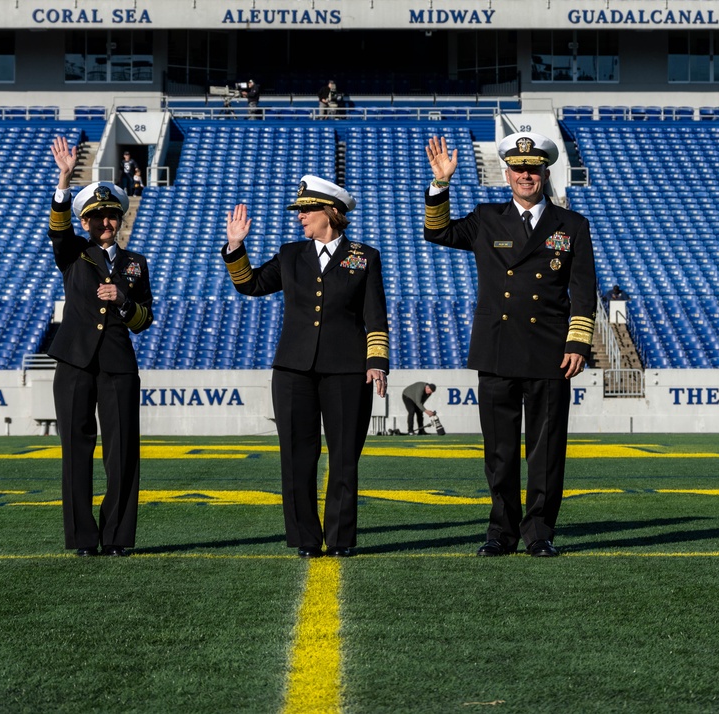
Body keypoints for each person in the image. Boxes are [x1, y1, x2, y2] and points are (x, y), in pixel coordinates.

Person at [423, 132, 597, 558]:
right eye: (518, 169)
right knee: (499, 451)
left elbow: (583, 289)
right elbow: (437, 232)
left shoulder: (571, 226)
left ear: (544, 172)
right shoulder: (487, 217)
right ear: (506, 174)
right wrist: (441, 184)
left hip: (550, 351)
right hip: (498, 349)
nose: (526, 175)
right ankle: (500, 531)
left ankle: (539, 532)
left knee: (546, 450)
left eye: (533, 169)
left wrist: (578, 343)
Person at [221, 175, 389, 558]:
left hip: (348, 370)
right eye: (299, 210)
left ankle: (342, 538)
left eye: (306, 210)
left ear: (331, 211)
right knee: (297, 457)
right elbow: (251, 285)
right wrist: (235, 247)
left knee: (345, 457)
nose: (299, 217)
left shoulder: (364, 256)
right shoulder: (290, 254)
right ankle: (306, 539)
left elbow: (375, 314)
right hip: (293, 370)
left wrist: (376, 361)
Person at [49, 135, 155, 557]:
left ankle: (117, 538)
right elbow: (58, 228)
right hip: (73, 362)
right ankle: (81, 539)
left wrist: (124, 301)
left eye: (111, 216)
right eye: (97, 218)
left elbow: (144, 320)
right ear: (87, 222)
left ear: (120, 220)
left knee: (123, 452)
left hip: (118, 365)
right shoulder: (73, 252)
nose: (105, 224)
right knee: (76, 452)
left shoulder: (136, 264)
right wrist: (64, 179)